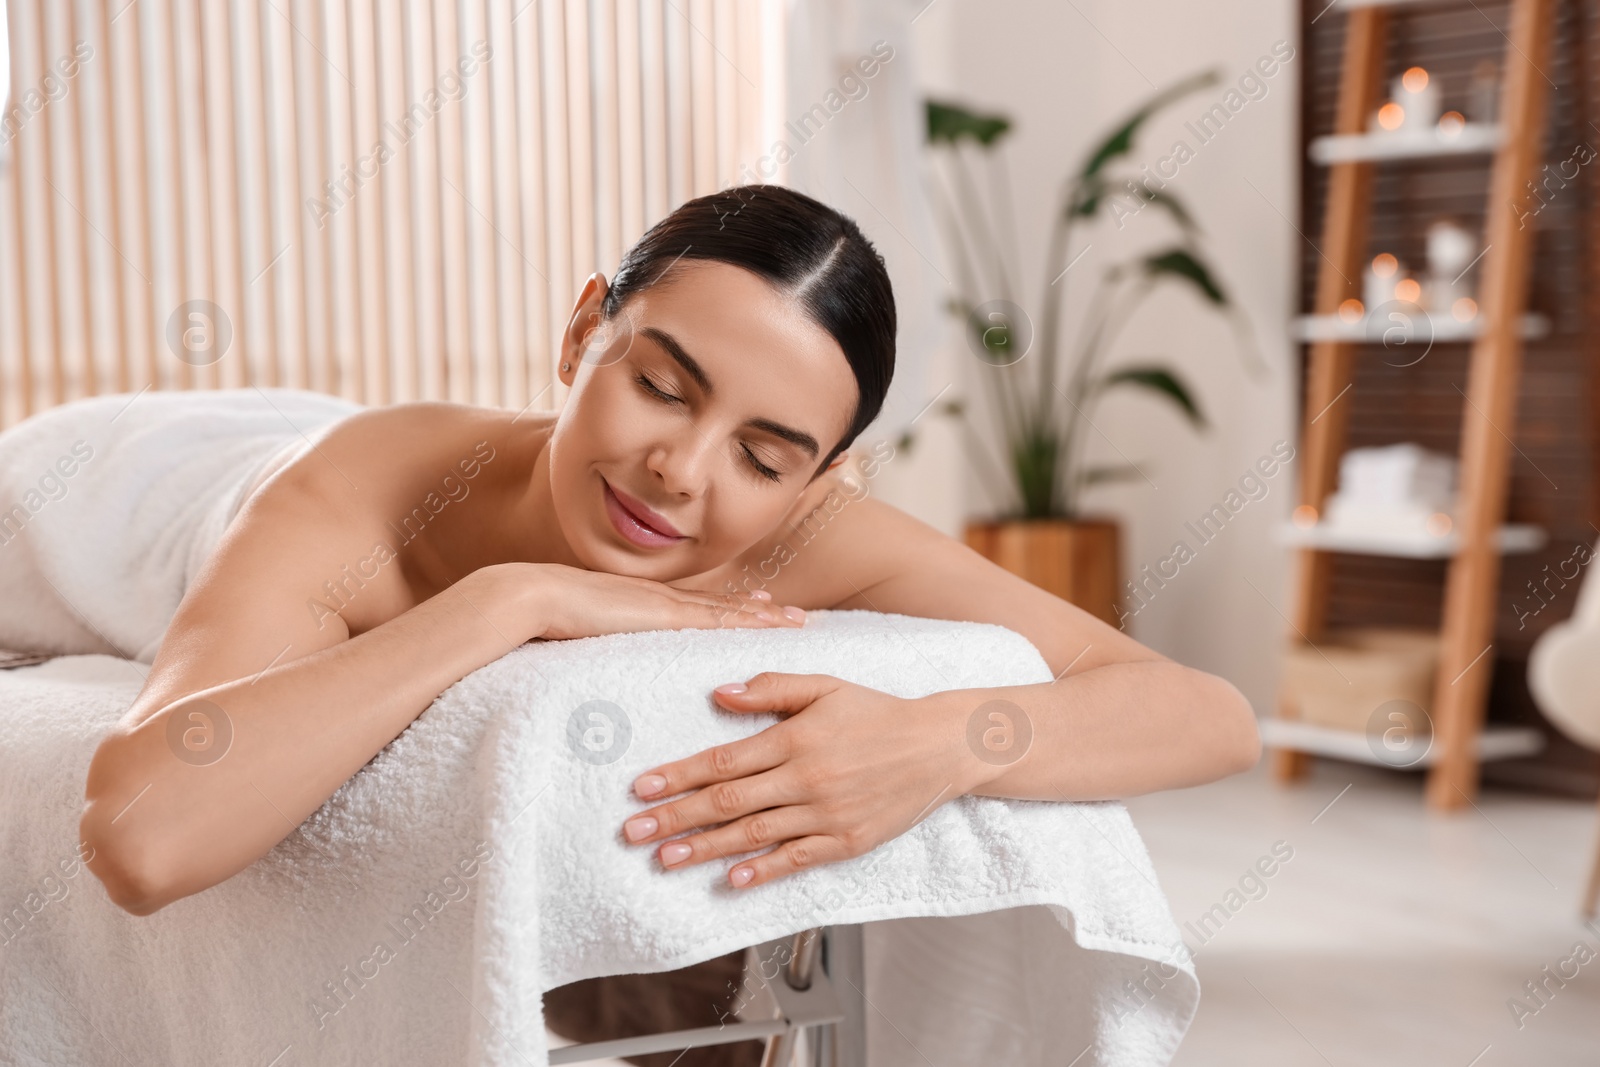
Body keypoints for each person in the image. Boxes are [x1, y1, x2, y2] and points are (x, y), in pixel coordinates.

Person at [77, 184, 1259, 921]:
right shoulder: (370, 489)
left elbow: (1205, 713)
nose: (681, 472)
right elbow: (144, 836)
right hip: (127, 476)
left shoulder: (814, 538)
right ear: (582, 328)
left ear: (819, 478)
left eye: (763, 454)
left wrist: (940, 741)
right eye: (658, 386)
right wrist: (511, 599)